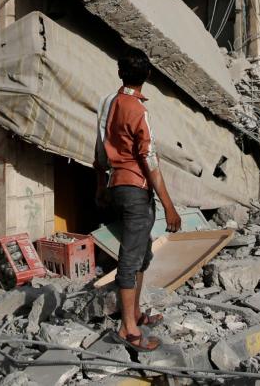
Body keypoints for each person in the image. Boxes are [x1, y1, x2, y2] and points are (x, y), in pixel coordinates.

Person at [93, 49, 182, 353]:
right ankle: (128, 329)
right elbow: (149, 160)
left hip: (117, 184)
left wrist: (101, 187)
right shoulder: (137, 110)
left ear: (120, 73)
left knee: (141, 255)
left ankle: (135, 315)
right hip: (135, 190)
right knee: (131, 260)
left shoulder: (109, 102)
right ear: (148, 76)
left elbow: (99, 152)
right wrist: (169, 205)